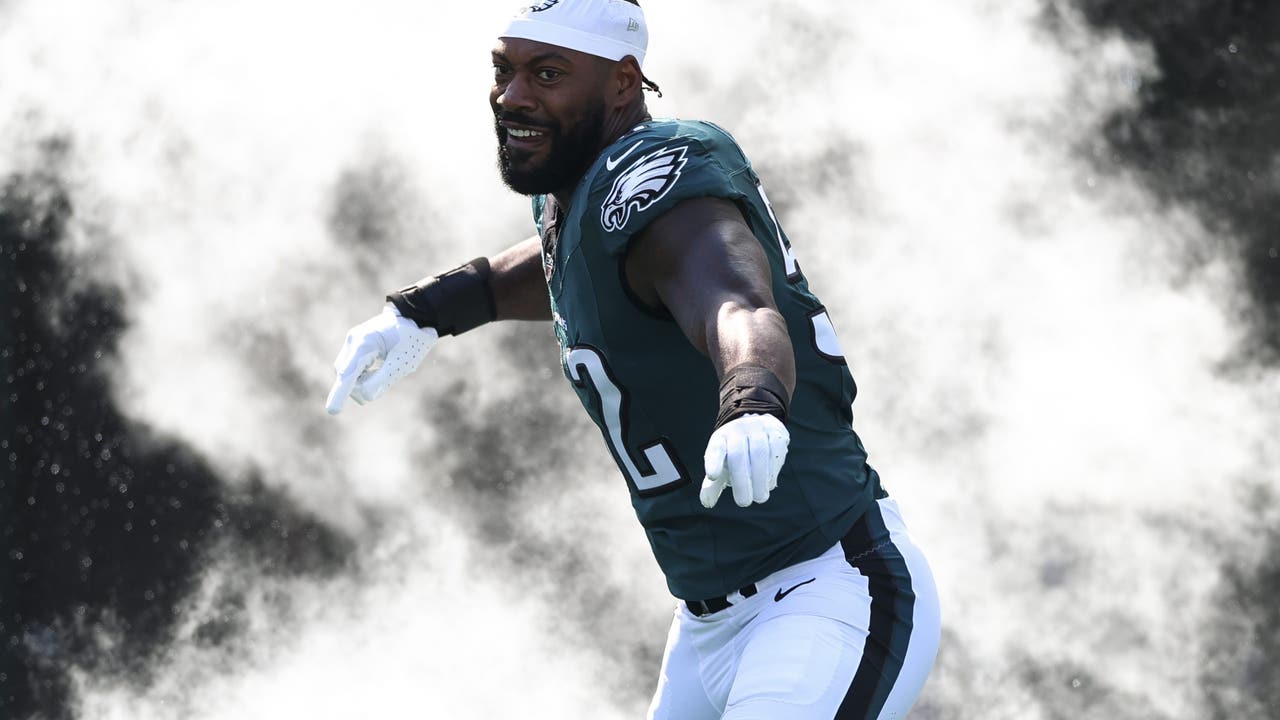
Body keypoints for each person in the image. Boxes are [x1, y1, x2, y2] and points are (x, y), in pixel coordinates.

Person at [324, 1, 940, 717]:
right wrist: (430, 309)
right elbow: (575, 264)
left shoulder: (655, 174)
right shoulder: (582, 189)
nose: (512, 96)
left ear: (622, 82)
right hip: (705, 624)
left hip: (827, 586)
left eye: (547, 74)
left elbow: (735, 302)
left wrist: (752, 398)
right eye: (504, 69)